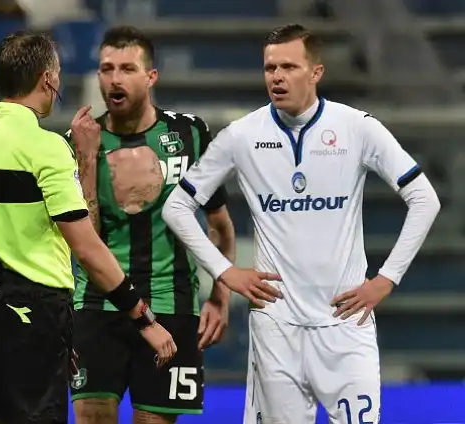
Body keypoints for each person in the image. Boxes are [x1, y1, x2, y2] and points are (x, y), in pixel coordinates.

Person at [162, 24, 441, 424]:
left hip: (346, 324)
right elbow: (177, 206)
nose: (276, 77)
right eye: (269, 67)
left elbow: (424, 199)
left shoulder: (356, 128)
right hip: (277, 326)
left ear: (316, 72)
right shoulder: (241, 136)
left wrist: (387, 279)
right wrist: (225, 272)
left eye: (289, 66)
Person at [0, 30, 176, 424]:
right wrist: (143, 318)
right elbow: (87, 248)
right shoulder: (46, 146)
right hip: (36, 307)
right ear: (48, 79)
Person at [66, 25, 279, 424]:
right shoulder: (78, 142)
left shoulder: (190, 135)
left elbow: (220, 225)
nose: (114, 78)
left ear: (151, 77)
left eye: (127, 68)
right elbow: (86, 241)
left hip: (172, 305)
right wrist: (87, 161)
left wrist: (218, 298)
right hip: (97, 307)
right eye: (106, 68)